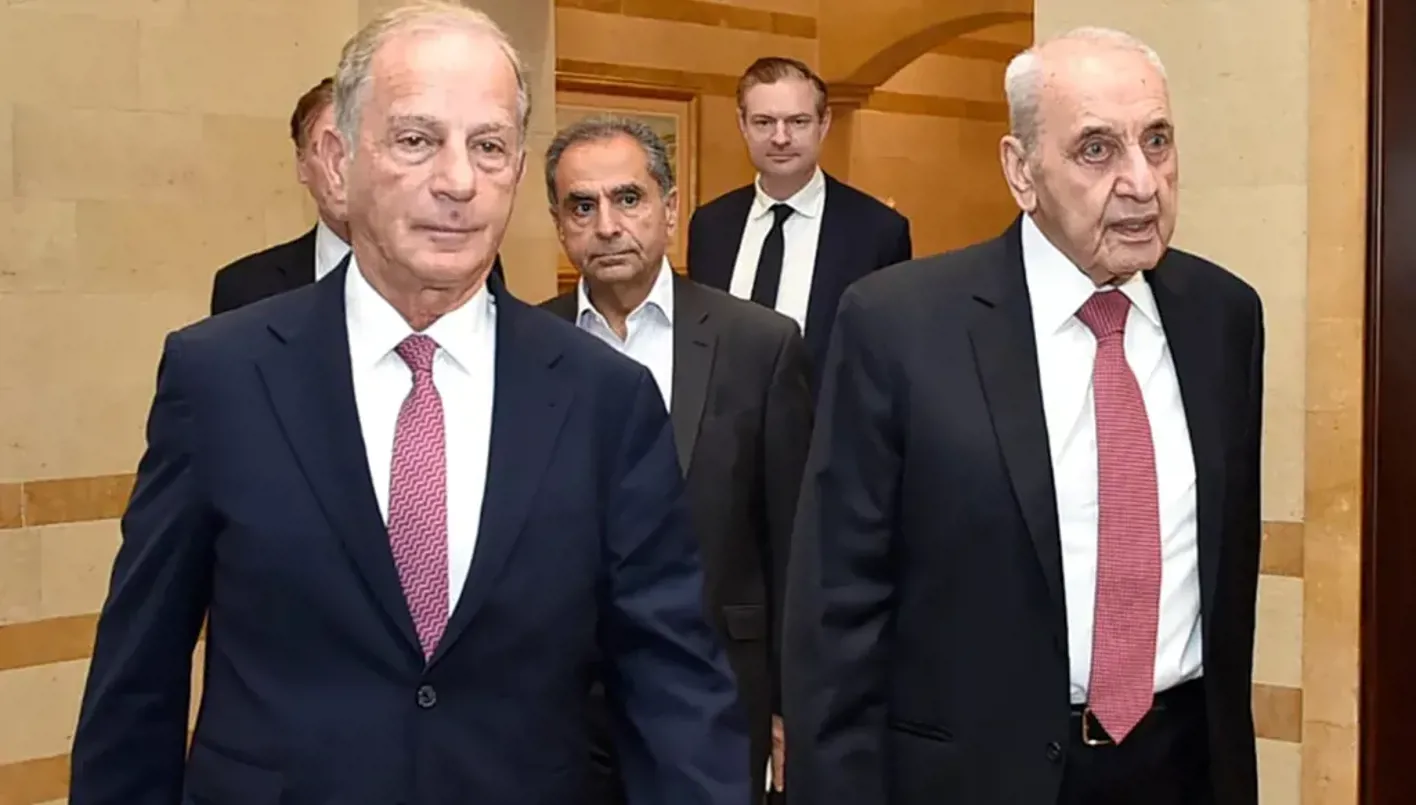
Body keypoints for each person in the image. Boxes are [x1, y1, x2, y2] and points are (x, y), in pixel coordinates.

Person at [68, 4, 749, 805]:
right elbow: (138, 680)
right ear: (339, 159)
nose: (458, 181)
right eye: (418, 139)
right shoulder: (221, 377)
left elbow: (674, 688)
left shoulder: (605, 398)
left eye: (488, 146)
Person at [782, 27, 1264, 805]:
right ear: (1020, 170)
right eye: (1097, 150)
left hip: (1179, 769)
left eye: (1158, 140)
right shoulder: (899, 326)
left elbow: (1229, 575)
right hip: (978, 778)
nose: (1143, 182)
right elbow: (836, 616)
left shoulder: (1224, 318)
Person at [538, 116, 813, 803]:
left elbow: (794, 542)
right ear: (558, 223)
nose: (607, 225)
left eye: (628, 198)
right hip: (556, 704)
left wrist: (791, 704)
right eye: (582, 206)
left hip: (714, 692)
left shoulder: (759, 344)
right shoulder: (525, 344)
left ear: (669, 208)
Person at [686, 57, 911, 387]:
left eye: (798, 121)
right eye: (764, 122)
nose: (780, 138)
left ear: (824, 123)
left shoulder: (878, 232)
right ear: (742, 125)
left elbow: (887, 357)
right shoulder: (710, 226)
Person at [208, 76, 503, 316]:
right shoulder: (247, 285)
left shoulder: (458, 260)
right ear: (302, 163)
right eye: (333, 152)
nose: (348, 166)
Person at [209, 77, 350, 315]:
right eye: (327, 151)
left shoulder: (420, 273)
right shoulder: (245, 288)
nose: (341, 167)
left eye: (355, 148)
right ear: (302, 164)